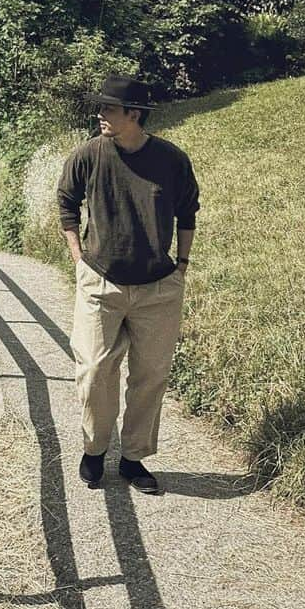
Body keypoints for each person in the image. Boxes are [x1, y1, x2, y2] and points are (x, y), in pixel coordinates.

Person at [57, 74, 199, 494]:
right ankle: (95, 449)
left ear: (133, 114)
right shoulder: (88, 155)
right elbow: (66, 201)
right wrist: (78, 257)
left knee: (150, 374)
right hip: (101, 283)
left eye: (109, 109)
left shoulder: (171, 160)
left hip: (158, 288)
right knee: (95, 370)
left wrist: (182, 265)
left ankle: (134, 458)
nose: (101, 115)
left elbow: (188, 211)